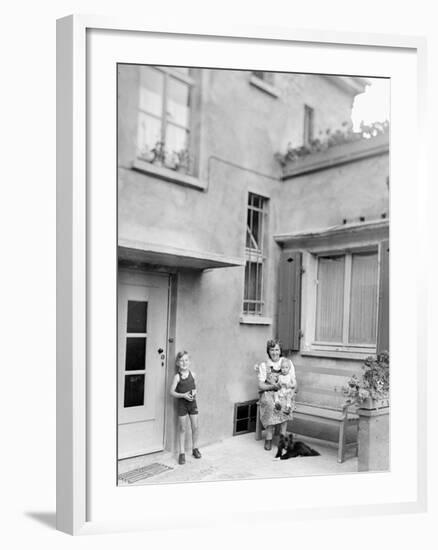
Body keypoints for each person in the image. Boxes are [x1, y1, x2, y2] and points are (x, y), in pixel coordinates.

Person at [256, 339, 297, 451]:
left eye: (277, 349)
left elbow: (294, 382)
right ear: (268, 351)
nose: (275, 352)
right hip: (269, 392)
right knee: (270, 404)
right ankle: (269, 437)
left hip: (284, 392)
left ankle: (282, 438)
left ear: (280, 351)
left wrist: (291, 391)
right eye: (272, 350)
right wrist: (272, 387)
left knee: (285, 405)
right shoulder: (264, 365)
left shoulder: (286, 362)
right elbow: (260, 386)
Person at [170, 351, 202, 465]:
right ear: (178, 363)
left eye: (186, 360)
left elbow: (195, 387)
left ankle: (195, 448)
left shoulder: (193, 374)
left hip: (192, 404)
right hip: (182, 405)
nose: (184, 363)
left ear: (189, 362)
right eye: (181, 361)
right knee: (182, 428)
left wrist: (193, 393)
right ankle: (182, 453)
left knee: (195, 427)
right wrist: (183, 395)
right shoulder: (177, 377)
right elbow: (171, 392)